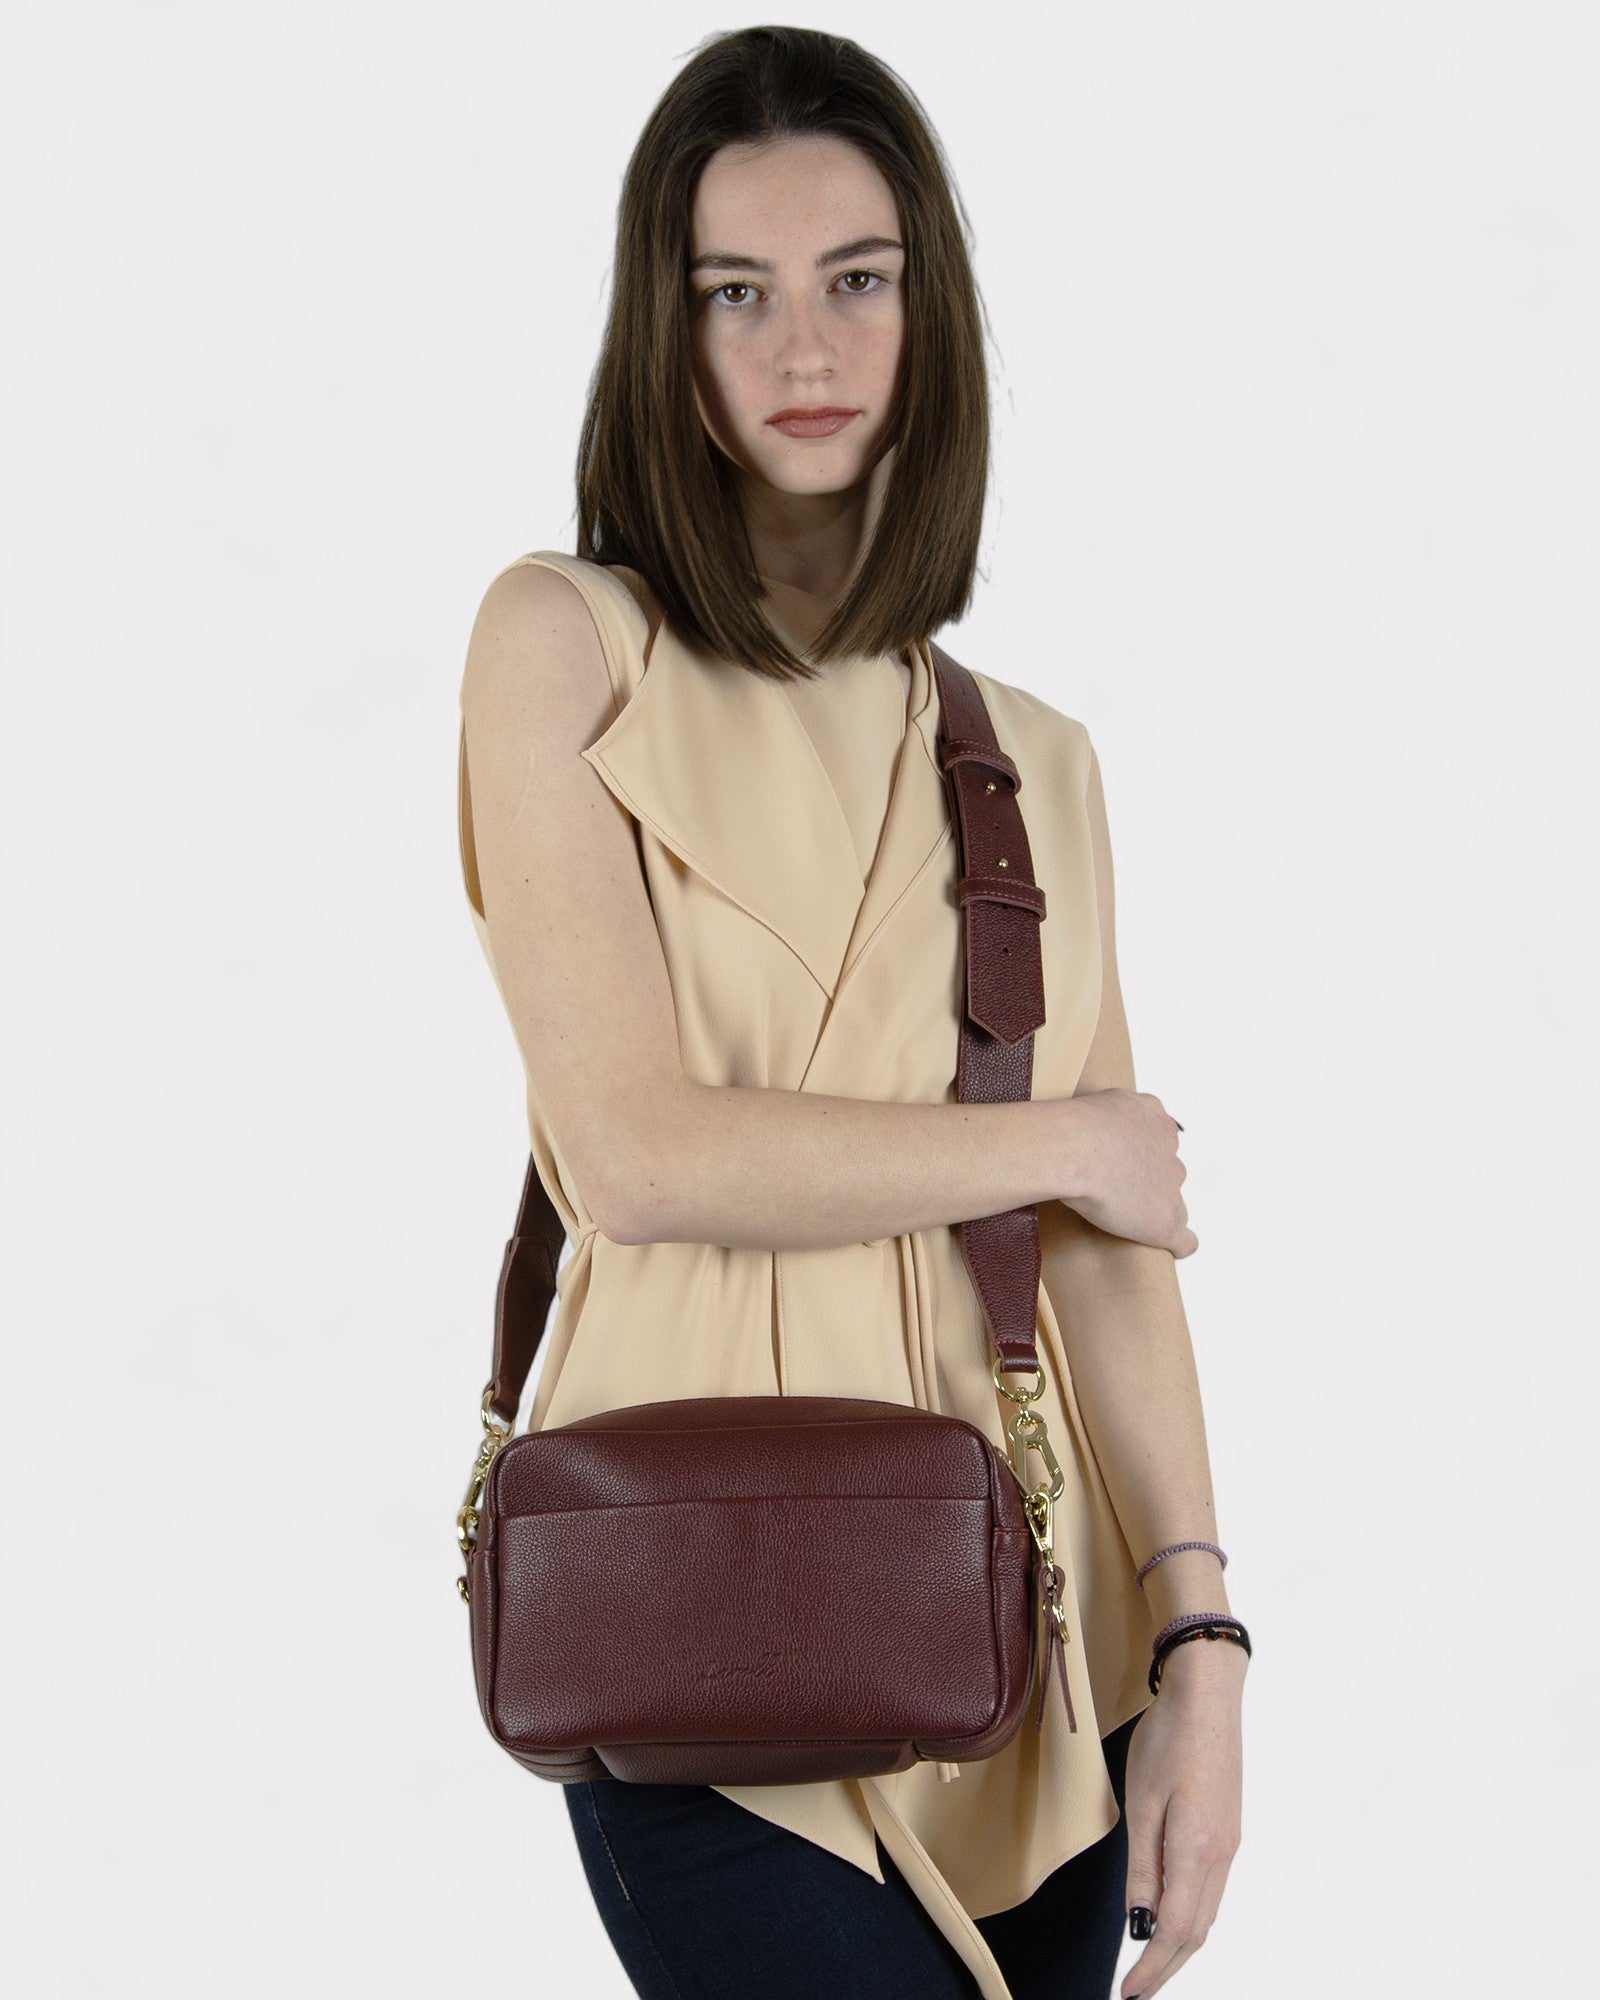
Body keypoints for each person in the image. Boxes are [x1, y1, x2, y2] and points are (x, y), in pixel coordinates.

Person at [455, 25, 1248, 2000]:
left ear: (929, 310)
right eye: (733, 291)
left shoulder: (1032, 760)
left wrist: (1201, 1647)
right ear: (664, 332)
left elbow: (1108, 1263)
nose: (801, 346)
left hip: (1025, 1649)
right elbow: (635, 1154)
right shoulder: (566, 646)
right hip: (691, 1613)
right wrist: (1064, 1137)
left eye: (856, 280)